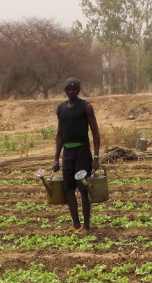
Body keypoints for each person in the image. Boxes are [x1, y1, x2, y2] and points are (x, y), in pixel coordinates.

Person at [52, 77, 100, 234]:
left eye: (73, 89)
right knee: (68, 188)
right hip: (67, 153)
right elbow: (60, 134)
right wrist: (56, 158)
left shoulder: (86, 107)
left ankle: (86, 226)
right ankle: (75, 224)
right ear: (65, 90)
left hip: (82, 152)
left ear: (78, 91)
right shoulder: (61, 108)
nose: (70, 91)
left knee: (83, 188)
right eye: (68, 89)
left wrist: (96, 157)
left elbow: (95, 132)